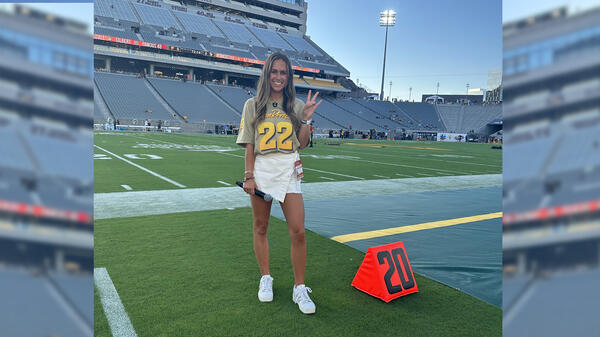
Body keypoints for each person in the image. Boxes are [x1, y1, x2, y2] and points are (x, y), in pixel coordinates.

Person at [236, 52, 322, 315]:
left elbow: (303, 144)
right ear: (267, 74)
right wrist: (249, 176)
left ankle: (299, 286)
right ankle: (266, 277)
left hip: (288, 169)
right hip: (262, 170)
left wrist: (306, 118)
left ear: (288, 77)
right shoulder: (253, 104)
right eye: (274, 71)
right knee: (260, 227)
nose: (278, 77)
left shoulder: (295, 106)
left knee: (298, 231)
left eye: (283, 72)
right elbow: (250, 145)